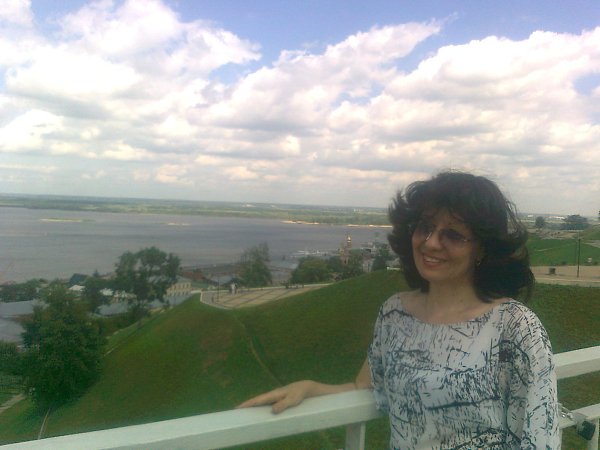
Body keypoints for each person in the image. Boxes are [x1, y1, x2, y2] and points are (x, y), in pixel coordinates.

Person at [238, 171, 560, 449]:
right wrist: (309, 388)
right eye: (425, 227)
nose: (431, 243)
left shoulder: (515, 328)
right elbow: (366, 388)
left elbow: (539, 435)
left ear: (482, 248)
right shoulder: (395, 314)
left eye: (453, 234)